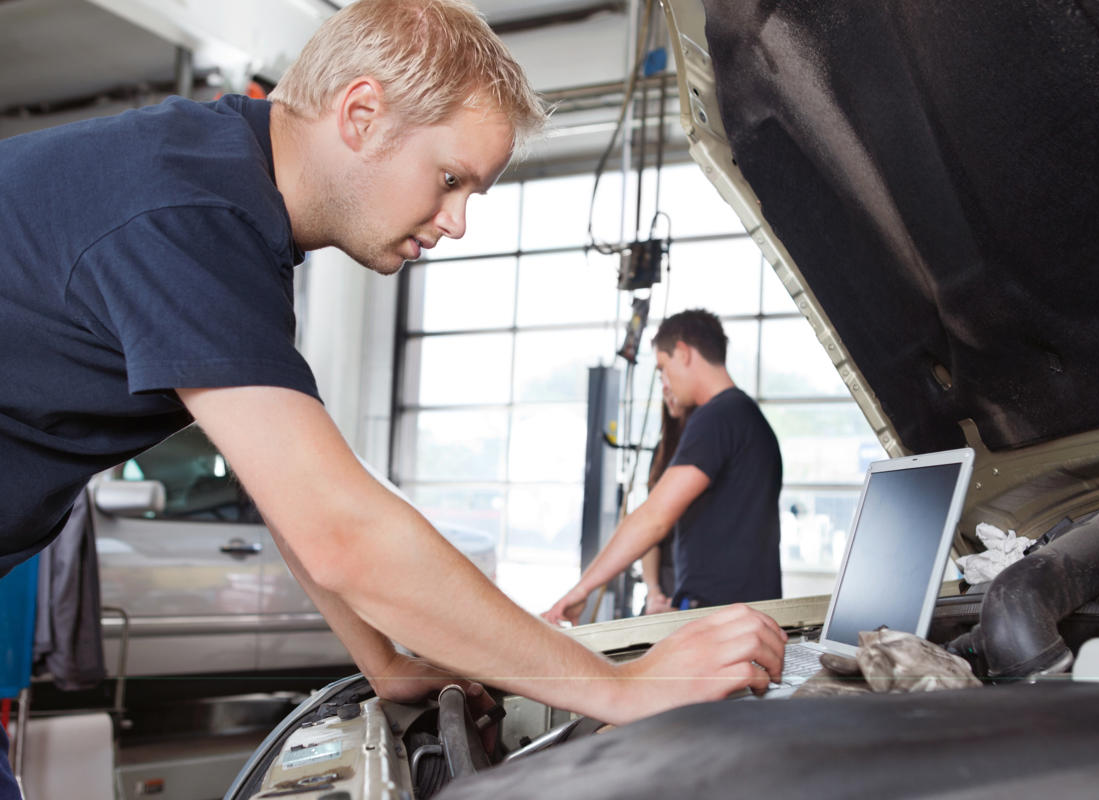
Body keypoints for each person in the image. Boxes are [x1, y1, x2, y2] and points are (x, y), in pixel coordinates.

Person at [0, 2, 787, 794]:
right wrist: (625, 688)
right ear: (362, 114)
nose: (458, 223)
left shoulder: (218, 189)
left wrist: (382, 659)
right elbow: (342, 528)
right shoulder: (190, 216)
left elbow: (286, 493)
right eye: (450, 180)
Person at [544, 309, 784, 624]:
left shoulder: (716, 417)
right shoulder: (749, 417)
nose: (664, 381)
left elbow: (654, 518)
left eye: (662, 368)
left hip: (722, 619)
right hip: (746, 617)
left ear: (683, 353)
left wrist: (582, 589)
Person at [640, 386, 690, 615]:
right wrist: (653, 591)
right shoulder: (663, 451)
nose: (669, 391)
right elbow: (650, 528)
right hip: (667, 577)